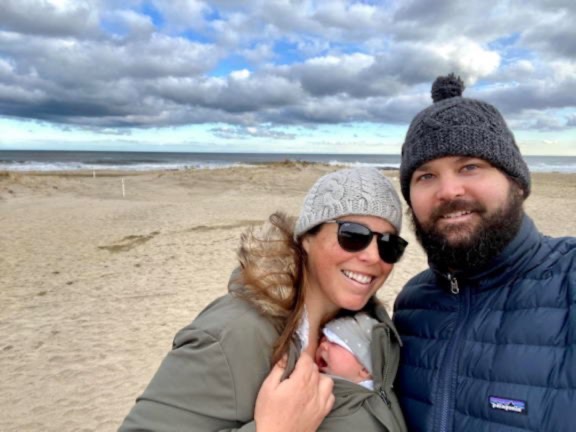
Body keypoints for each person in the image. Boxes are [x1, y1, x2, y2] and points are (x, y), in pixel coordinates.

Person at [119, 167, 408, 432]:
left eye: (389, 244)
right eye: (353, 235)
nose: (373, 256)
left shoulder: (373, 330)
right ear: (307, 238)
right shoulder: (233, 334)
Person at [392, 74, 576, 432]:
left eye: (470, 167)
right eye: (426, 176)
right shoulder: (412, 304)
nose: (448, 191)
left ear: (516, 182)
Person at [316, 312, 379, 389]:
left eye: (334, 343)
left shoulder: (365, 396)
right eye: (324, 340)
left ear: (365, 370)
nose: (323, 345)